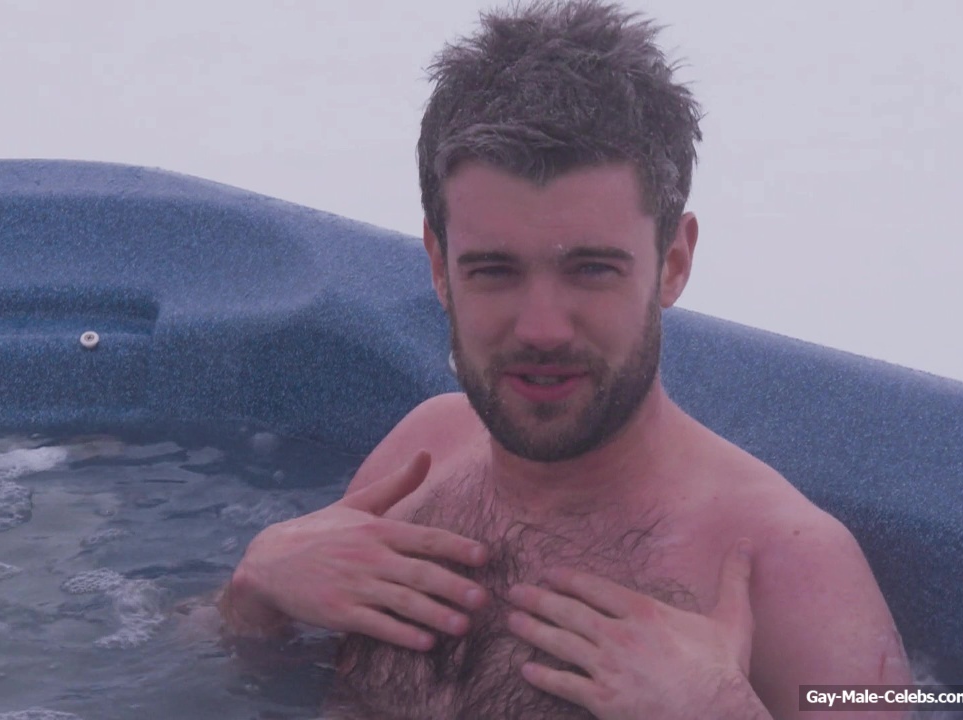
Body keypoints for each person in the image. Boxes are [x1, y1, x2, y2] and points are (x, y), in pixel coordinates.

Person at [215, 1, 911, 718]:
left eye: (591, 270)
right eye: (494, 271)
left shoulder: (789, 566)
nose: (542, 328)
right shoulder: (420, 455)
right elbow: (220, 675)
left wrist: (722, 710)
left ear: (673, 262)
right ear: (439, 265)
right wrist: (253, 593)